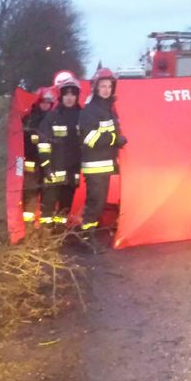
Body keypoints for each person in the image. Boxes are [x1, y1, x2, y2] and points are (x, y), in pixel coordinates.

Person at [78, 67, 127, 251]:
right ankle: (86, 238)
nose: (106, 89)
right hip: (95, 165)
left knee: (98, 203)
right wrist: (116, 140)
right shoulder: (91, 111)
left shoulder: (107, 109)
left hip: (104, 164)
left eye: (109, 86)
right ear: (96, 88)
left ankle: (88, 235)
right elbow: (89, 138)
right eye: (103, 86)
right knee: (95, 203)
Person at [36, 75, 83, 227]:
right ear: (61, 96)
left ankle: (59, 232)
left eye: (73, 94)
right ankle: (45, 233)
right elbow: (43, 143)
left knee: (66, 204)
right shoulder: (52, 117)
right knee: (48, 202)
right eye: (66, 94)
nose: (69, 98)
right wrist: (47, 166)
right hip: (54, 169)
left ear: (77, 96)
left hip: (72, 170)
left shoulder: (82, 116)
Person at [20, 86, 57, 223]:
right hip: (31, 165)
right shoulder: (28, 119)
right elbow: (21, 142)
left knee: (48, 195)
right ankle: (28, 226)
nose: (45, 105)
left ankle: (44, 229)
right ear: (37, 102)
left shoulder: (55, 119)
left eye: (48, 102)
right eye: (43, 102)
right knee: (30, 194)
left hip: (48, 165)